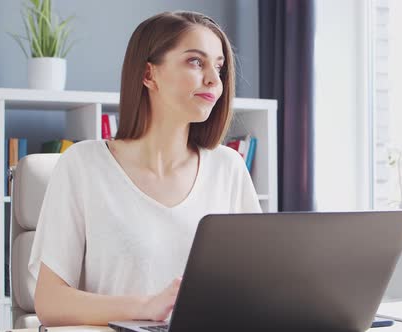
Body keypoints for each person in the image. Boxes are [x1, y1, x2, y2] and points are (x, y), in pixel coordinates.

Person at [29, 10, 262, 326]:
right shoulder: (83, 165)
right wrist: (145, 307)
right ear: (148, 74)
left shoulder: (229, 168)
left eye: (219, 67)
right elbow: (49, 302)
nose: (213, 79)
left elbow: (258, 284)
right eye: (196, 62)